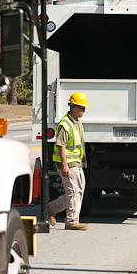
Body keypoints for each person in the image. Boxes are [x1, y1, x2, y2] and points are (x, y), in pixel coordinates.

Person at [48, 91, 89, 230]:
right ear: (72, 106)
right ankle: (71, 221)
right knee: (73, 192)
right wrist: (65, 165)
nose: (83, 110)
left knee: (78, 191)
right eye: (80, 107)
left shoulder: (77, 122)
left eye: (84, 108)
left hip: (76, 162)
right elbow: (61, 145)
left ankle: (50, 209)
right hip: (67, 163)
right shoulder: (65, 124)